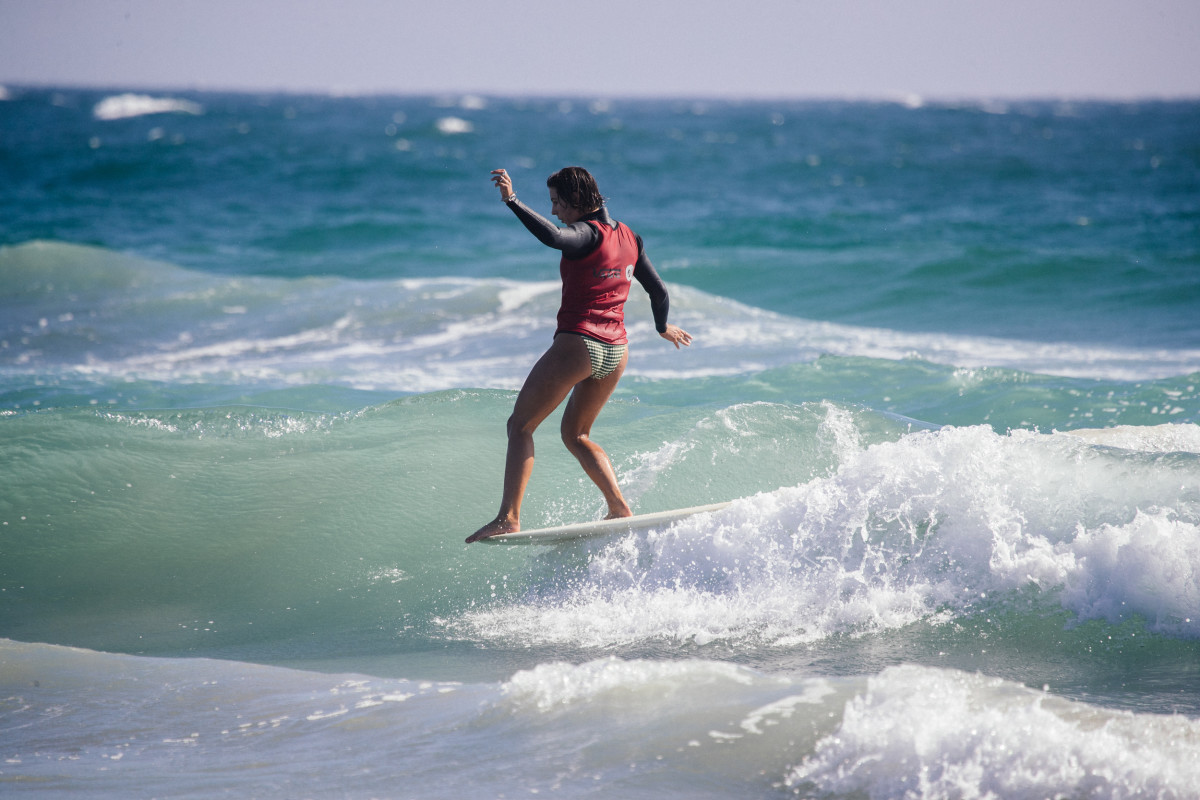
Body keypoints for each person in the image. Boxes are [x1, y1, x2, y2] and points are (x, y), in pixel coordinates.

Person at [466, 166, 692, 543]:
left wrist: (512, 202)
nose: (554, 211)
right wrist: (661, 327)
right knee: (577, 434)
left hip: (579, 344)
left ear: (575, 201)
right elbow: (659, 292)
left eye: (556, 202)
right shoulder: (630, 236)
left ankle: (509, 517)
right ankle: (618, 506)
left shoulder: (587, 234)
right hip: (617, 349)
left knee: (520, 426)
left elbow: (555, 237)